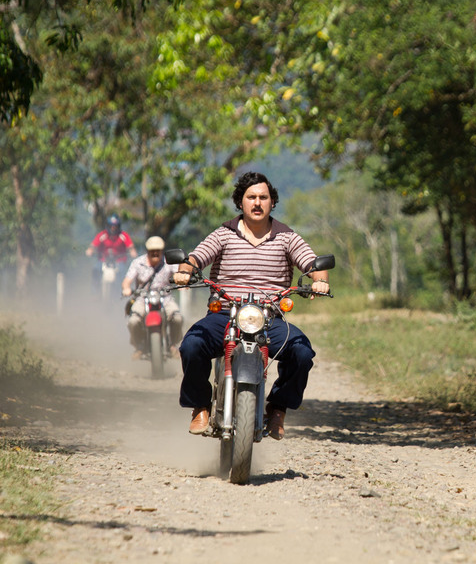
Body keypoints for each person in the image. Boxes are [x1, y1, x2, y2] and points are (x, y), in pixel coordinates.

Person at [173, 172, 330, 440]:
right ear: (241, 202)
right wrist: (185, 271)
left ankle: (278, 407)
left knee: (302, 353)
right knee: (192, 345)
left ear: (272, 202)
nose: (257, 203)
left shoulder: (287, 237)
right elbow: (195, 258)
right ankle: (200, 406)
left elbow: (314, 265)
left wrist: (320, 281)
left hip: (270, 318)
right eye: (251, 197)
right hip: (225, 314)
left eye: (263, 197)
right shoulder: (224, 234)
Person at [122, 236, 184, 359]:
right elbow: (126, 281)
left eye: (158, 250)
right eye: (152, 250)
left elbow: (179, 274)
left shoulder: (168, 262)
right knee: (133, 321)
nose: (155, 253)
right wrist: (126, 288)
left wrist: (182, 283)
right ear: (147, 251)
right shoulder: (137, 263)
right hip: (142, 299)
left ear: (162, 251)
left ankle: (172, 345)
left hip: (165, 299)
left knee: (178, 318)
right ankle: (139, 346)